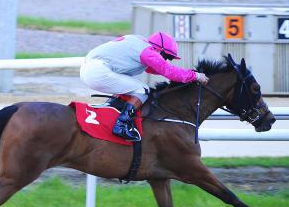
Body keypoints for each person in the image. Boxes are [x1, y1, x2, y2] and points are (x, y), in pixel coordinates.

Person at [79, 31, 209, 141]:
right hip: (98, 71)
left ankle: (112, 108)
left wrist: (185, 75)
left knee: (130, 86)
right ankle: (121, 125)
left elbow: (157, 69)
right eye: (166, 56)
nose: (165, 60)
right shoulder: (147, 51)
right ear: (159, 49)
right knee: (142, 89)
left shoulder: (139, 43)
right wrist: (196, 76)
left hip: (90, 69)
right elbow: (168, 71)